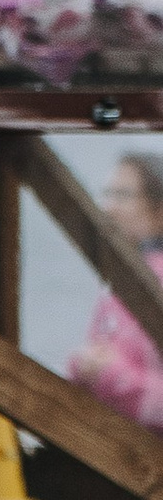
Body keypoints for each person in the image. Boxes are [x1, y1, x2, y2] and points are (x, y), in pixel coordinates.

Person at [69, 150, 163, 429]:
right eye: (107, 194)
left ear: (159, 210)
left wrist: (107, 375)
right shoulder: (120, 281)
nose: (108, 207)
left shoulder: (150, 275)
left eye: (122, 195)